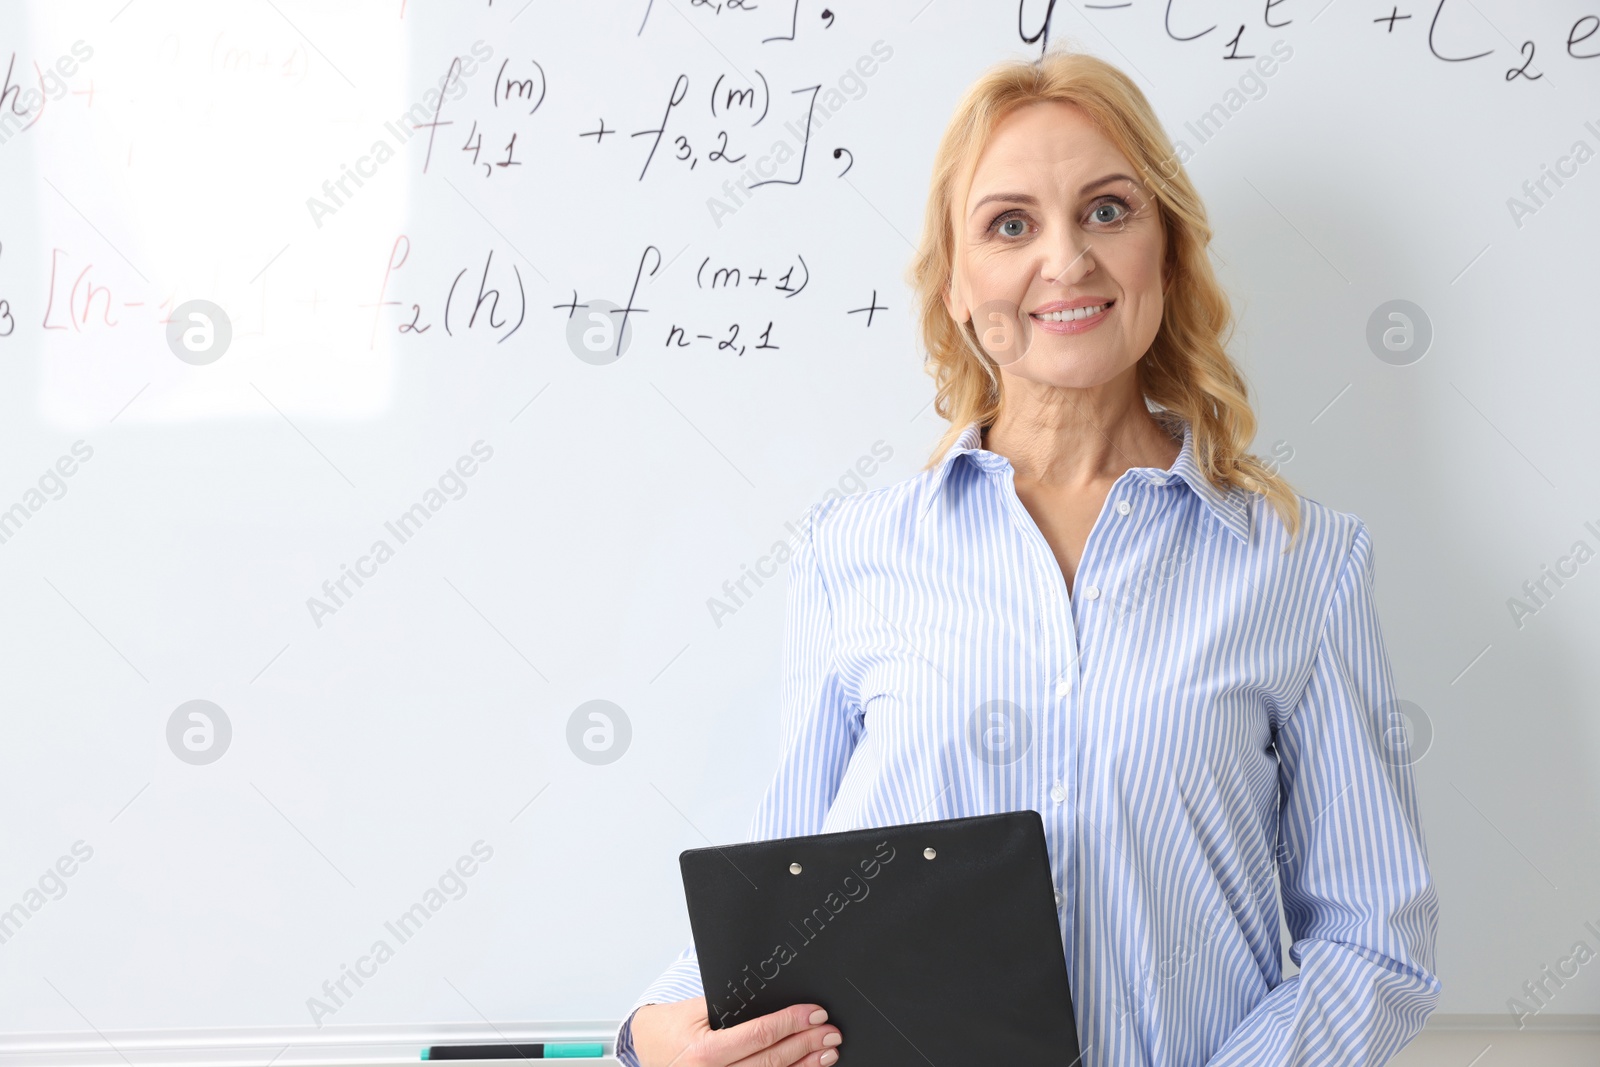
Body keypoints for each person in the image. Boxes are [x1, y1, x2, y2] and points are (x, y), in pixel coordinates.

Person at [616, 48, 1441, 1067]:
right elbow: (779, 891)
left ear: (1167, 250)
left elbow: (1372, 941)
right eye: (1010, 224)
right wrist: (652, 1030)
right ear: (958, 284)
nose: (1066, 259)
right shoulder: (854, 554)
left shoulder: (1300, 563)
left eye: (1106, 210)